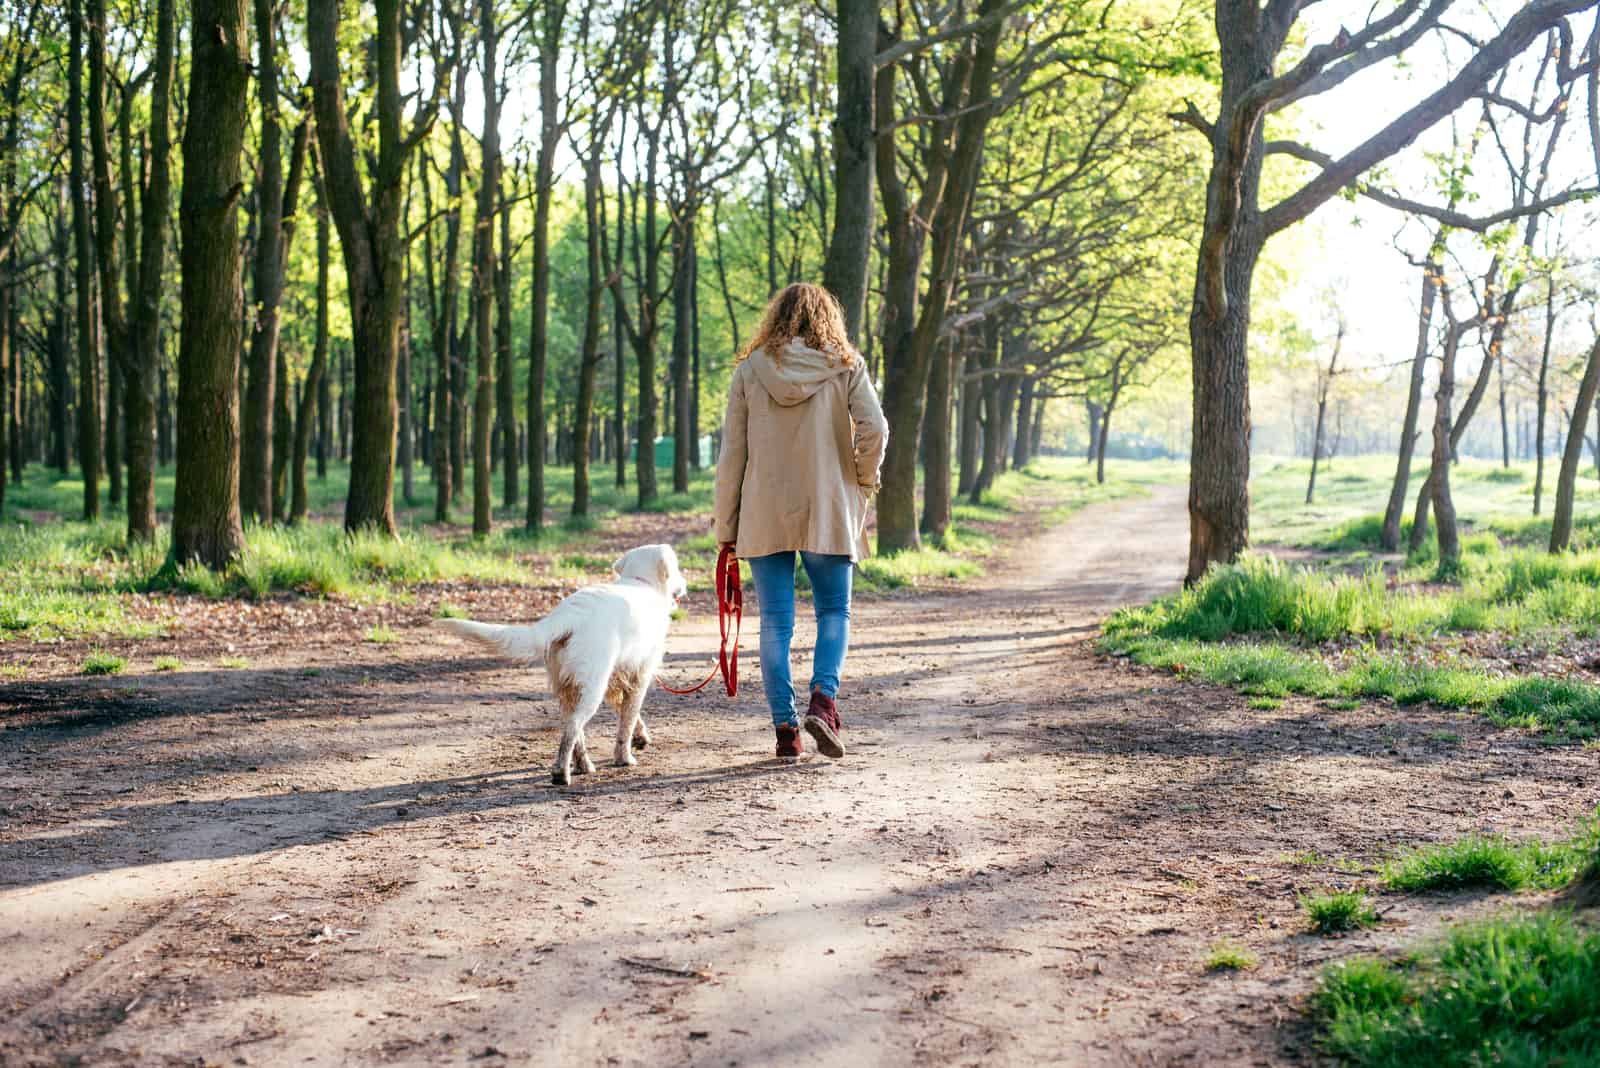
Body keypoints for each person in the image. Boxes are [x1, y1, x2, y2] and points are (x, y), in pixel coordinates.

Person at [713, 283, 888, 760]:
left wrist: (725, 527)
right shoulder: (845, 366)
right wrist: (862, 480)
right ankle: (823, 701)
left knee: (775, 622)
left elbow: (732, 454)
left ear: (777, 318)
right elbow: (876, 428)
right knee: (835, 611)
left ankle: (786, 730)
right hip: (828, 505)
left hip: (764, 509)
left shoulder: (751, 371)